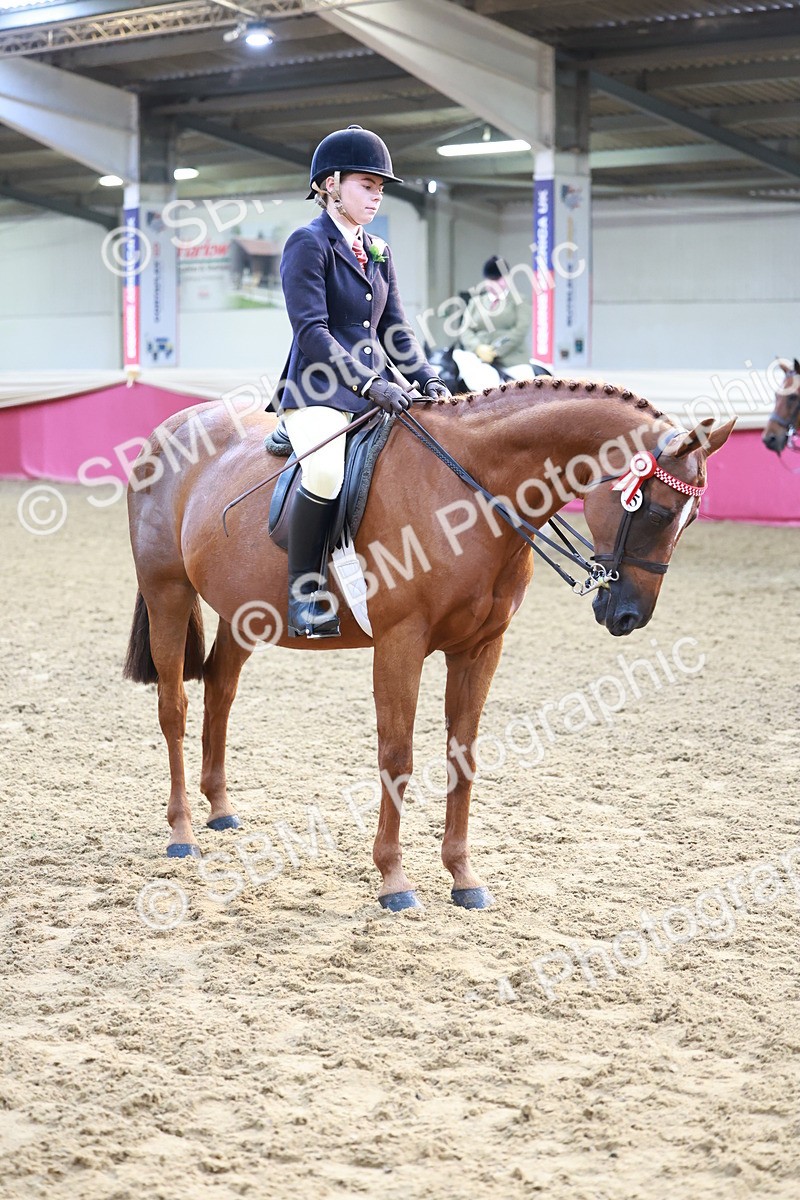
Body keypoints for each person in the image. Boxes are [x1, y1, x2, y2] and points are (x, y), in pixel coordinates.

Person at [275, 124, 450, 639]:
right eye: (366, 185)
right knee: (326, 474)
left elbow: (394, 328)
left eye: (380, 188)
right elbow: (312, 332)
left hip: (378, 389)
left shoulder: (377, 250)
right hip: (317, 390)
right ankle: (305, 593)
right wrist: (371, 385)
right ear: (331, 184)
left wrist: (426, 378)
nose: (376, 196)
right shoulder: (307, 244)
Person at [459, 255, 530, 370]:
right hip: (478, 360)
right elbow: (465, 329)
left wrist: (496, 351)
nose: (494, 284)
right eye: (490, 280)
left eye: (497, 280)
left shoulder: (520, 301)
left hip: (512, 361)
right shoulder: (476, 302)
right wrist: (477, 347)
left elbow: (520, 330)